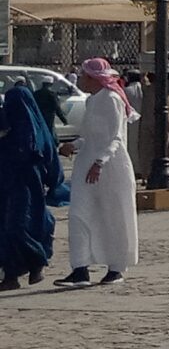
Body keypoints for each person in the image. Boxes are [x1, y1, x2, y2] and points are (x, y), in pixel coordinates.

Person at [57, 58, 138, 286]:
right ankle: (80, 268)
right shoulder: (93, 101)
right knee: (78, 214)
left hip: (111, 168)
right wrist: (74, 145)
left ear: (93, 78)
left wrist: (100, 162)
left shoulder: (112, 99)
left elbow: (116, 137)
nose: (81, 80)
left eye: (83, 76)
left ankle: (116, 268)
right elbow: (90, 136)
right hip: (87, 166)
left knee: (113, 216)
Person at [1, 83, 61, 290]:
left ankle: (37, 260)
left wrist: (52, 185)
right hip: (8, 187)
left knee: (17, 227)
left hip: (27, 189)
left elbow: (50, 161)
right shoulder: (11, 130)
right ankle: (11, 275)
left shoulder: (35, 135)